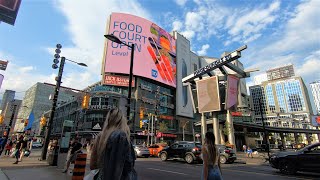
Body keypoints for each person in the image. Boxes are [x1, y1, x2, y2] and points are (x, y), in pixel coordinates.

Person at [90, 108, 137, 180]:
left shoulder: (100, 136)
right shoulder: (122, 136)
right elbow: (128, 165)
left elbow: (93, 164)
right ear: (122, 121)